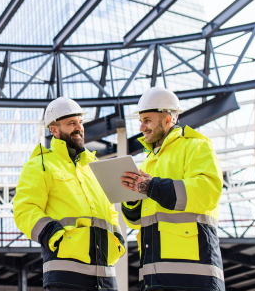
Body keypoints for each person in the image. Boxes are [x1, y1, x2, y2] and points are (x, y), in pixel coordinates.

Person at [14, 96, 126, 291]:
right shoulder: (40, 165)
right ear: (54, 130)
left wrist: (117, 237)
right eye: (71, 123)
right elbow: (24, 209)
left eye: (80, 122)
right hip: (66, 271)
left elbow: (109, 209)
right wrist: (51, 233)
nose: (78, 127)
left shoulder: (93, 166)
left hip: (105, 271)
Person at [119, 87, 224, 291]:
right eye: (140, 120)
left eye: (147, 120)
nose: (141, 127)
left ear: (168, 119)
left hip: (195, 274)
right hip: (153, 275)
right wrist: (131, 200)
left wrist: (153, 186)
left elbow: (207, 192)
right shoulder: (148, 163)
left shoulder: (197, 146)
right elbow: (136, 221)